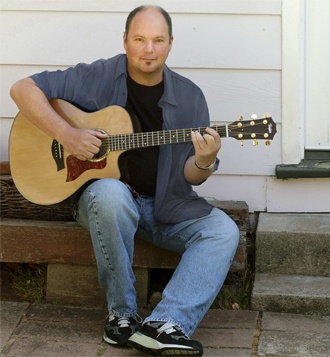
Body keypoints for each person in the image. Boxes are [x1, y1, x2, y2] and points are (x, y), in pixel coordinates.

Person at [10, 5, 240, 356]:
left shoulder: (190, 97)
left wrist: (205, 161)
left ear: (170, 43)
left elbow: (189, 175)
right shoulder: (97, 75)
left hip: (163, 207)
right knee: (110, 193)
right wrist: (68, 135)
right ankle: (122, 316)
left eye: (158, 40)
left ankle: (166, 323)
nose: (149, 49)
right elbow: (22, 89)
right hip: (104, 205)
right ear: (126, 41)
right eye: (140, 39)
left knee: (223, 231)